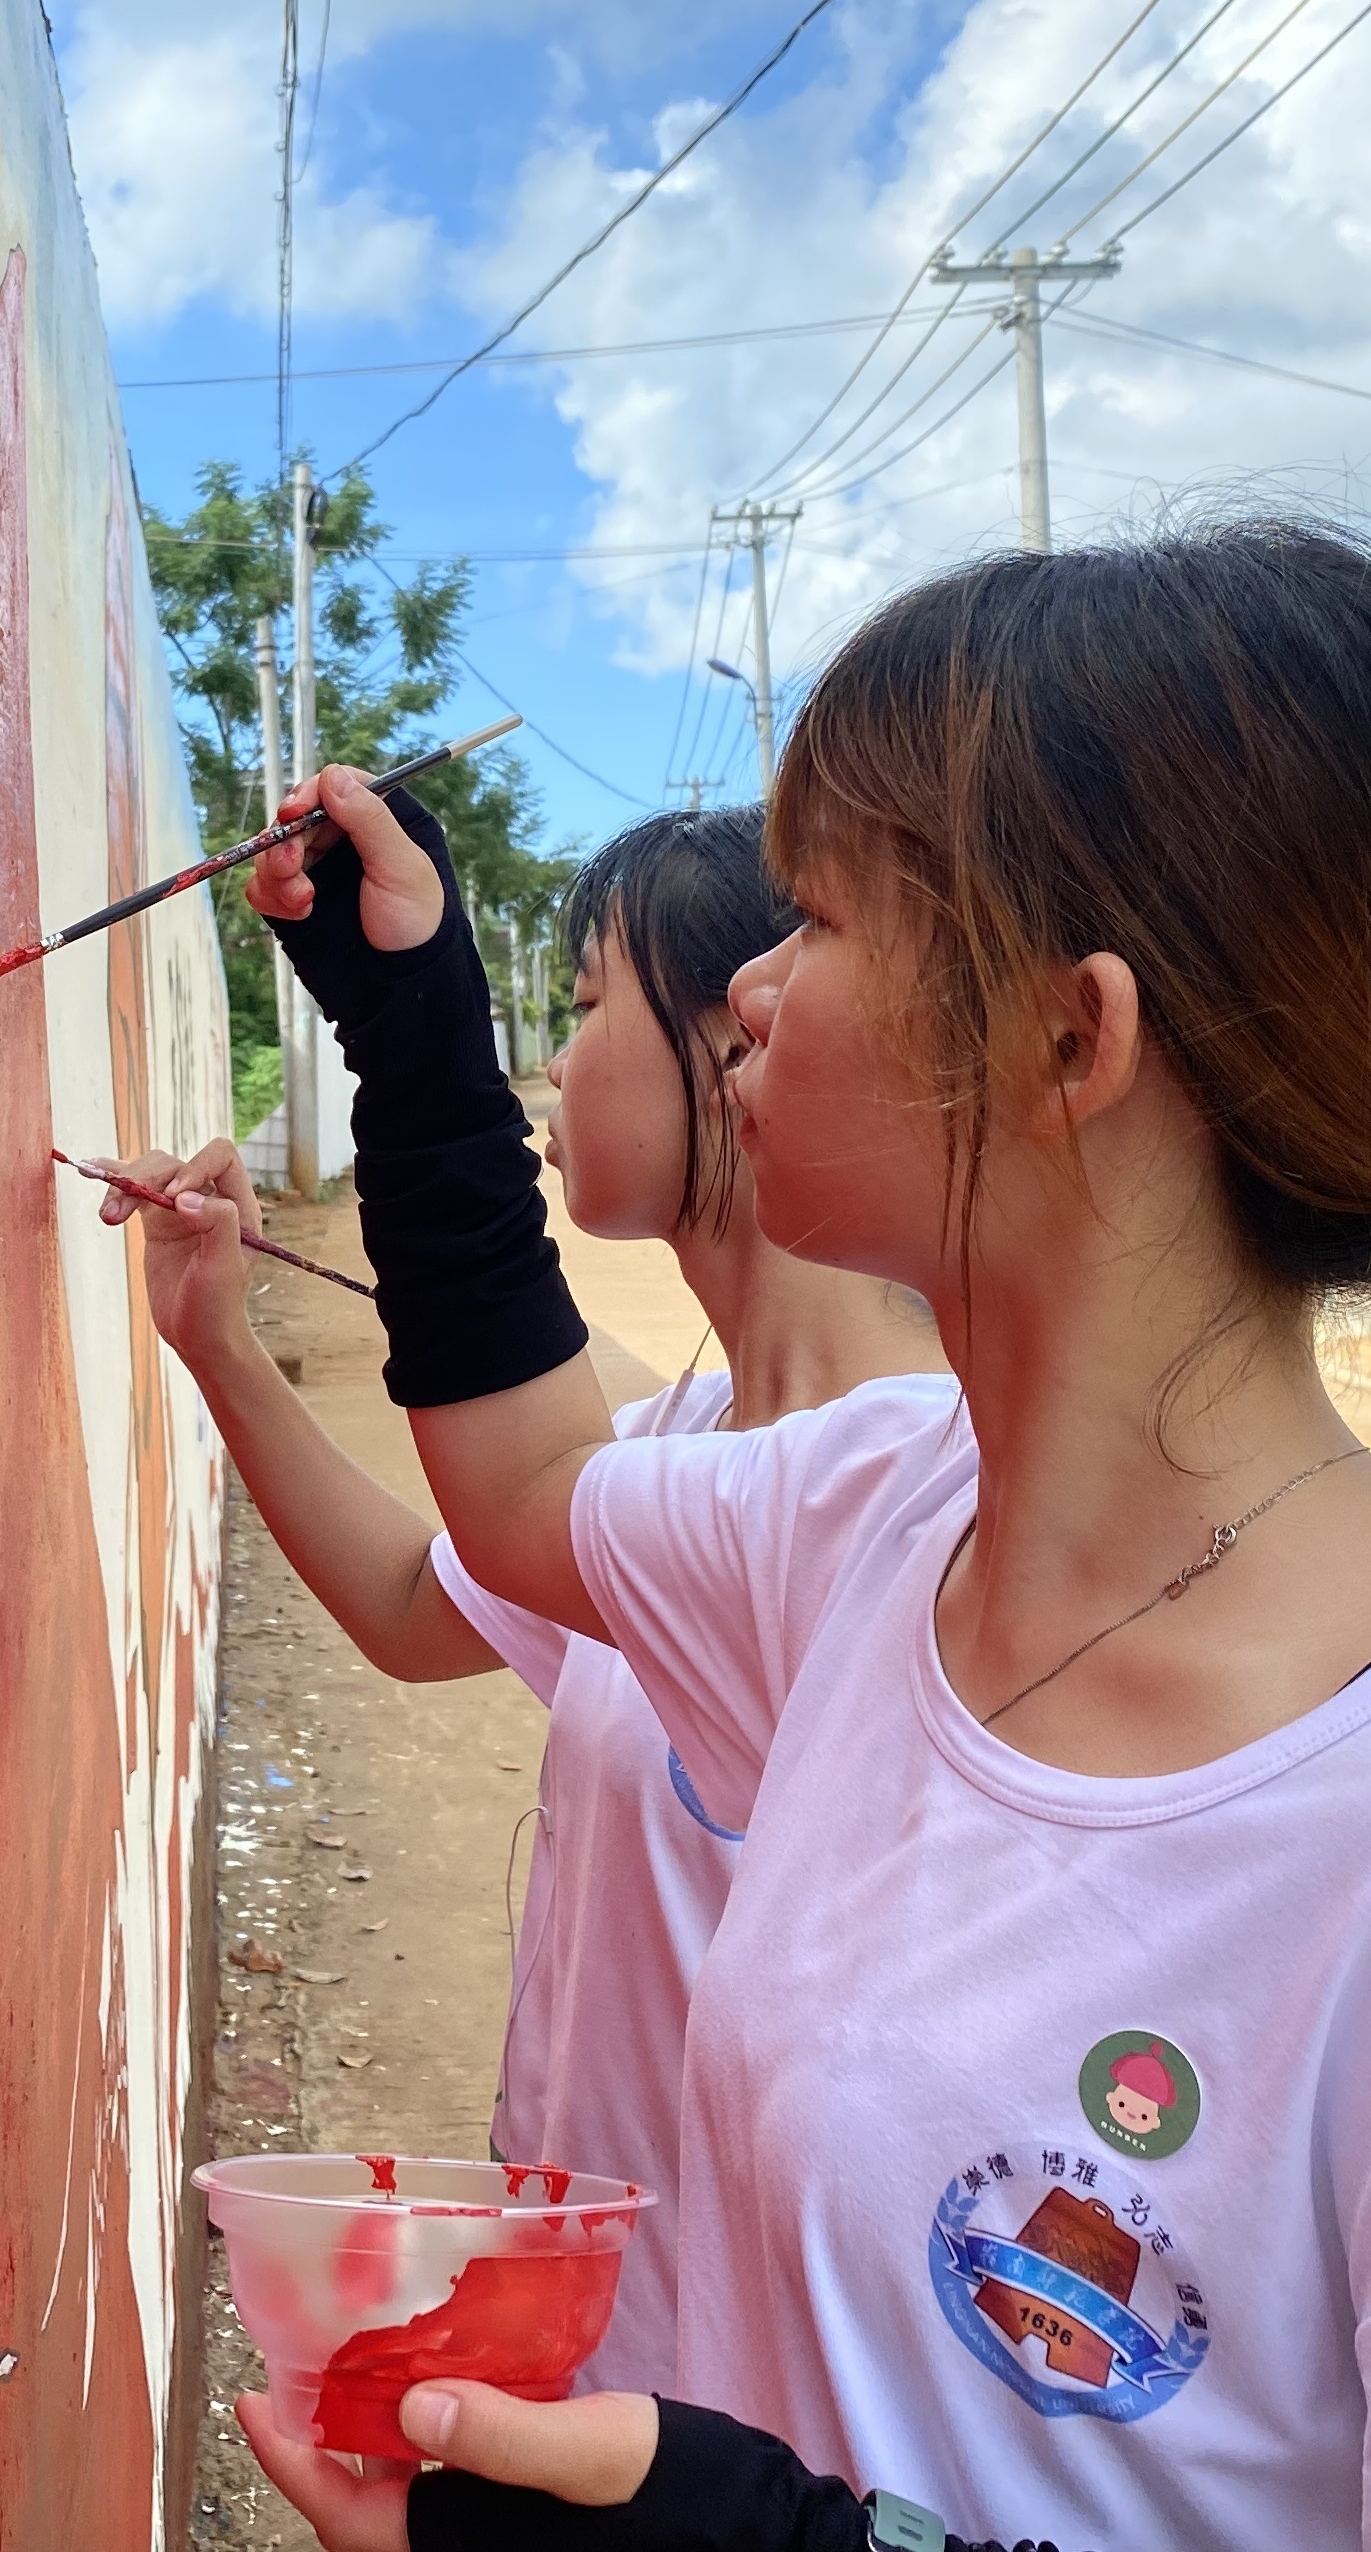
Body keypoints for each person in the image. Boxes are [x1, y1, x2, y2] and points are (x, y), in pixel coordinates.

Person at [207, 525, 1371, 2552]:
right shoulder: (871, 1529)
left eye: (813, 919)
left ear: (1070, 1043)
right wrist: (411, 1027)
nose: (746, 990)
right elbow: (525, 1500)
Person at [113, 808, 949, 2393]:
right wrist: (220, 1342)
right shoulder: (684, 1448)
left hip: (742, 2405)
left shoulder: (887, 1486)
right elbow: (421, 1606)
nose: (552, 1073)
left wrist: (417, 1031)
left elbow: (506, 1506)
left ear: (744, 1026)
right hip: (591, 2337)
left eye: (576, 1008)